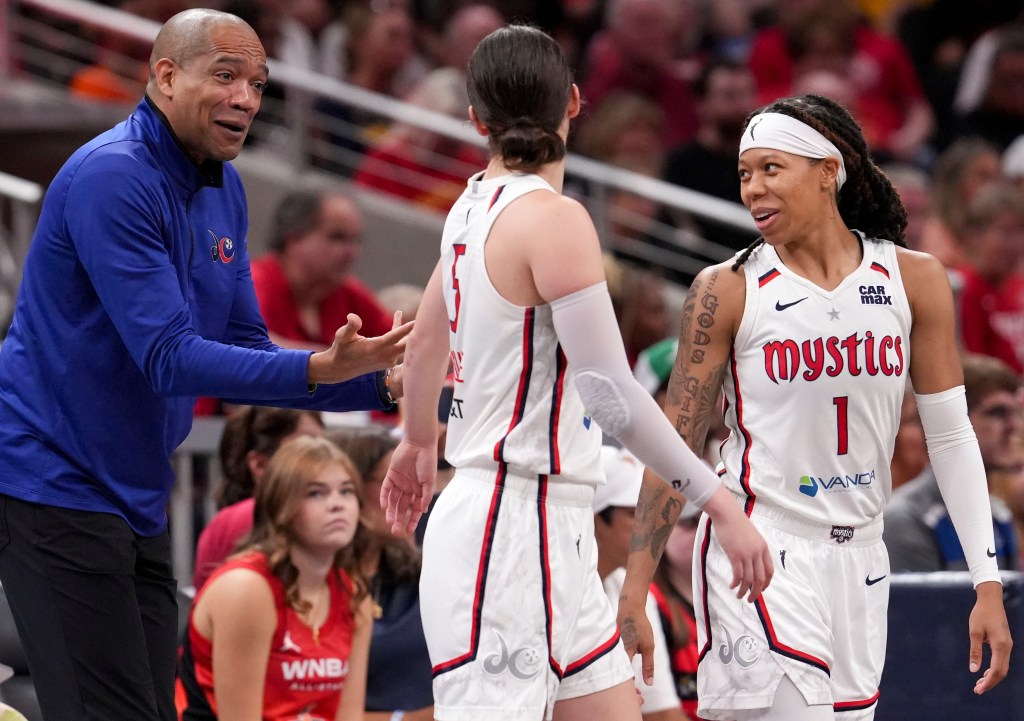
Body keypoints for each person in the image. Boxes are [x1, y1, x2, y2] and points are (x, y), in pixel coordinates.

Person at [0, 9, 412, 721]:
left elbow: (248, 343)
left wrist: (374, 378)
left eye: (257, 82)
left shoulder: (225, 187)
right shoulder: (113, 177)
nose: (246, 98)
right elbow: (168, 358)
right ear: (165, 76)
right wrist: (318, 366)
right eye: (225, 75)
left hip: (135, 490)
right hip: (53, 482)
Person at [379, 25, 772, 721]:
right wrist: (717, 500)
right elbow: (610, 389)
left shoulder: (466, 208)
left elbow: (424, 344)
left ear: (476, 120)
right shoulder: (554, 218)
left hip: (551, 523)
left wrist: (415, 438)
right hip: (510, 521)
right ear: (576, 102)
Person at [662, 93, 1012, 720]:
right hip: (762, 545)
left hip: (862, 556)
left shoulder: (913, 278)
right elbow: (676, 438)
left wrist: (986, 582)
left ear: (829, 170)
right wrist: (636, 586)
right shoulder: (728, 288)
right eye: (745, 173)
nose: (753, 189)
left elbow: (953, 438)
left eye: (772, 168)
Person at [176, 436, 372, 720]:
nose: (337, 504)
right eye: (316, 493)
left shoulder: (353, 593)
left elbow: (350, 716)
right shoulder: (247, 589)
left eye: (346, 491)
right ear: (281, 505)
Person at [327, 425, 434, 721]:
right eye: (395, 482)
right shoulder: (313, 585)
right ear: (352, 490)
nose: (412, 495)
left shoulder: (420, 577)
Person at [885, 353, 1023, 573]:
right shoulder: (905, 520)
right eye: (997, 413)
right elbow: (921, 608)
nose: (1013, 425)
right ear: (952, 423)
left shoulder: (998, 515)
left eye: (1015, 412)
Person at [594, 445, 686, 721]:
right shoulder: (552, 592)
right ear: (595, 519)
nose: (649, 529)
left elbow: (662, 713)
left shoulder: (632, 593)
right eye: (634, 514)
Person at [192, 406, 326, 590]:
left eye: (325, 446)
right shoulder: (250, 517)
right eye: (309, 448)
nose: (326, 459)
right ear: (260, 465)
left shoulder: (228, 519)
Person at [251, 189, 395, 351]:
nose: (351, 252)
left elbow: (400, 342)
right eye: (337, 237)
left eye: (356, 240)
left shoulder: (348, 292)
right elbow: (248, 345)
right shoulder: (255, 283)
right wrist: (337, 363)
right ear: (294, 238)